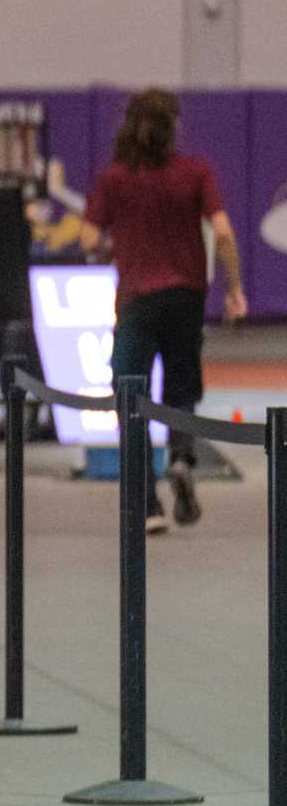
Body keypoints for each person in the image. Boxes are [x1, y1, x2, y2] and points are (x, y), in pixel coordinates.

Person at [83, 88, 248, 530]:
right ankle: (181, 456)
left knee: (130, 395)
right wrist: (235, 291)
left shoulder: (114, 179)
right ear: (173, 129)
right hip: (186, 298)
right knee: (182, 387)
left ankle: (147, 505)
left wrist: (112, 246)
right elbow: (225, 233)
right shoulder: (196, 172)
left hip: (137, 299)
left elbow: (88, 239)